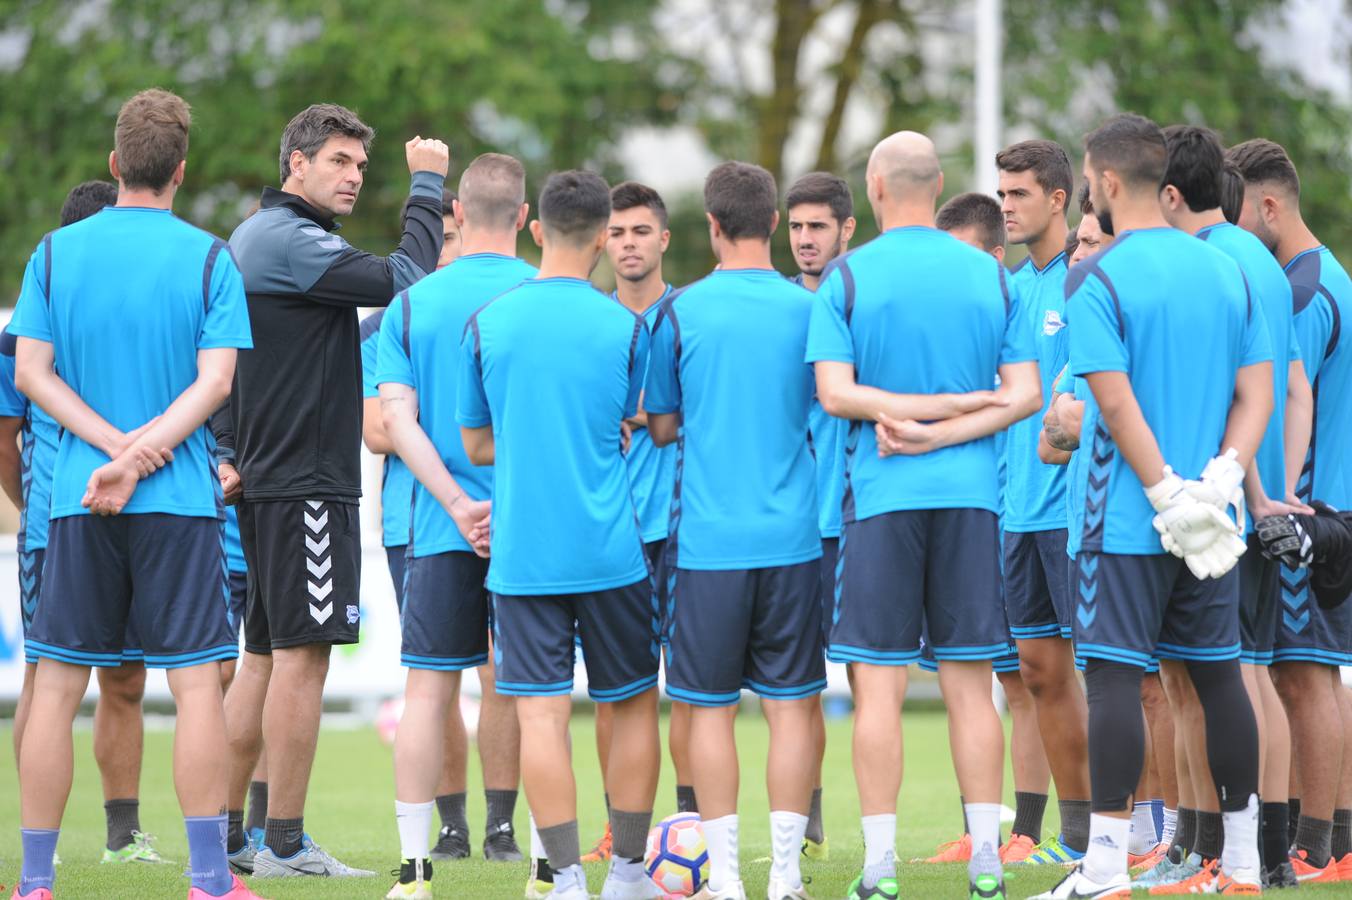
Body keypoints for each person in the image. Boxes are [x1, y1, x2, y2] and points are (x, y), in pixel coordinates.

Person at [10, 88, 259, 900]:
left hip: (78, 501)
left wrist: (111, 450)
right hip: (178, 502)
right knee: (194, 689)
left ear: (116, 165)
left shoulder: (52, 253)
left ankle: (37, 884)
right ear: (181, 171)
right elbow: (215, 383)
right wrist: (144, 451)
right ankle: (210, 882)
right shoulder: (211, 257)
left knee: (54, 688)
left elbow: (30, 375)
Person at [1032, 113, 1271, 899]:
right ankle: (1239, 864)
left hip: (1127, 518)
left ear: (1100, 183)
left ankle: (1103, 868)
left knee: (1110, 680)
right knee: (1219, 680)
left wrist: (1167, 491)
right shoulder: (1227, 269)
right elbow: (1256, 391)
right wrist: (1220, 481)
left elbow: (1114, 400)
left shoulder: (1096, 276)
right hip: (1210, 519)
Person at [215, 102, 447, 877]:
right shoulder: (290, 238)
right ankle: (283, 842)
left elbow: (263, 358)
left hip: (275, 480)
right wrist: (426, 186)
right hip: (305, 485)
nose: (352, 177)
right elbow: (407, 278)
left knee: (263, 659)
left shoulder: (263, 237)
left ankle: (225, 838)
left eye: (359, 165)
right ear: (297, 164)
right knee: (303, 661)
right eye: (339, 162)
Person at [809, 130, 1043, 900]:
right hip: (974, 499)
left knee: (876, 686)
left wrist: (913, 430)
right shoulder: (992, 274)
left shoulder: (845, 276)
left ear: (874, 187)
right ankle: (985, 857)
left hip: (881, 499)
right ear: (937, 182)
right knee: (972, 687)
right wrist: (947, 415)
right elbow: (1023, 397)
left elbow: (837, 394)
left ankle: (879, 866)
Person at [457, 170, 660, 900]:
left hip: (525, 554)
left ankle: (567, 878)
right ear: (604, 236)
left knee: (540, 715)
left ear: (536, 230)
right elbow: (645, 420)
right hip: (610, 550)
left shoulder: (487, 322)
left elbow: (477, 444)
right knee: (632, 703)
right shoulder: (627, 326)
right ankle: (630, 875)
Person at [644, 162, 824, 900]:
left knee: (707, 711)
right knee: (792, 711)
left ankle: (724, 879)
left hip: (708, 544)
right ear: (776, 223)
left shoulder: (677, 312)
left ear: (711, 227)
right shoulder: (812, 308)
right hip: (795, 538)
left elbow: (660, 425)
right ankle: (784, 876)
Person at [0, 178, 173, 867]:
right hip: (55, 527)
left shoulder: (141, 310)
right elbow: (5, 440)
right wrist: (31, 507)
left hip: (139, 516)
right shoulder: (30, 324)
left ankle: (123, 836)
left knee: (127, 678)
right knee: (48, 678)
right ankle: (35, 842)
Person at [377, 153, 535, 899]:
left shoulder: (412, 305)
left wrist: (456, 504)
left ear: (459, 215)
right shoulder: (549, 295)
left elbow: (395, 423)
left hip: (437, 526)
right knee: (526, 691)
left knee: (427, 692)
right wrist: (498, 506)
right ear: (527, 219)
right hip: (531, 529)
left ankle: (415, 868)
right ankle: (540, 861)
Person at [1155, 124, 1307, 891]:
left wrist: (1244, 487)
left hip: (1220, 500)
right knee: (1236, 675)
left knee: (1224, 678)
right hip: (1253, 492)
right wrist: (1282, 481)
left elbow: (1225, 391)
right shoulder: (1267, 267)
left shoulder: (1209, 262)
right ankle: (1244, 849)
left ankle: (1223, 849)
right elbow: (1291, 386)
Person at [1229, 136, 1352, 883]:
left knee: (1303, 674)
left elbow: (1285, 401)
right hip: (1327, 501)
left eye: (1237, 213)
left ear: (1268, 206)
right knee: (1317, 675)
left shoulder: (1301, 292)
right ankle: (1336, 839)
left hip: (1309, 503)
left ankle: (1318, 844)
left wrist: (1279, 502)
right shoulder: (1327, 271)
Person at [926, 190, 1053, 867]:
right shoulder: (964, 314)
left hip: (1032, 511)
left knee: (1041, 676)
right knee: (990, 677)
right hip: (981, 515)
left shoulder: (1025, 304)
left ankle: (1054, 832)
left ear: (995, 259)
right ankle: (1002, 832)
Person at [994, 140, 1095, 868]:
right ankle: (1078, 835)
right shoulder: (1010, 287)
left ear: (1058, 198)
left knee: (1117, 676)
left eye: (1018, 195)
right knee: (1037, 673)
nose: (1006, 208)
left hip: (1075, 513)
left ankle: (1143, 833)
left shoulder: (1085, 279)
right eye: (1001, 196)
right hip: (1014, 511)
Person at [581, 180, 682, 872]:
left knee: (696, 691)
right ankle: (621, 831)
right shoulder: (589, 323)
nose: (627, 244)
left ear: (664, 239)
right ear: (599, 241)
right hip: (612, 532)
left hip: (684, 528)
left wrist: (645, 415)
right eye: (616, 233)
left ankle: (693, 828)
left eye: (640, 231)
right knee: (618, 692)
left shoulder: (691, 316)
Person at [786, 170, 858, 862]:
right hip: (794, 528)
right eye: (797, 227)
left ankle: (890, 835)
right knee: (797, 684)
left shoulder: (866, 306)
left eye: (818, 227)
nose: (806, 240)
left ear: (847, 231)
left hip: (863, 519)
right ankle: (807, 823)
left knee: (875, 674)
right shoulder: (779, 310)